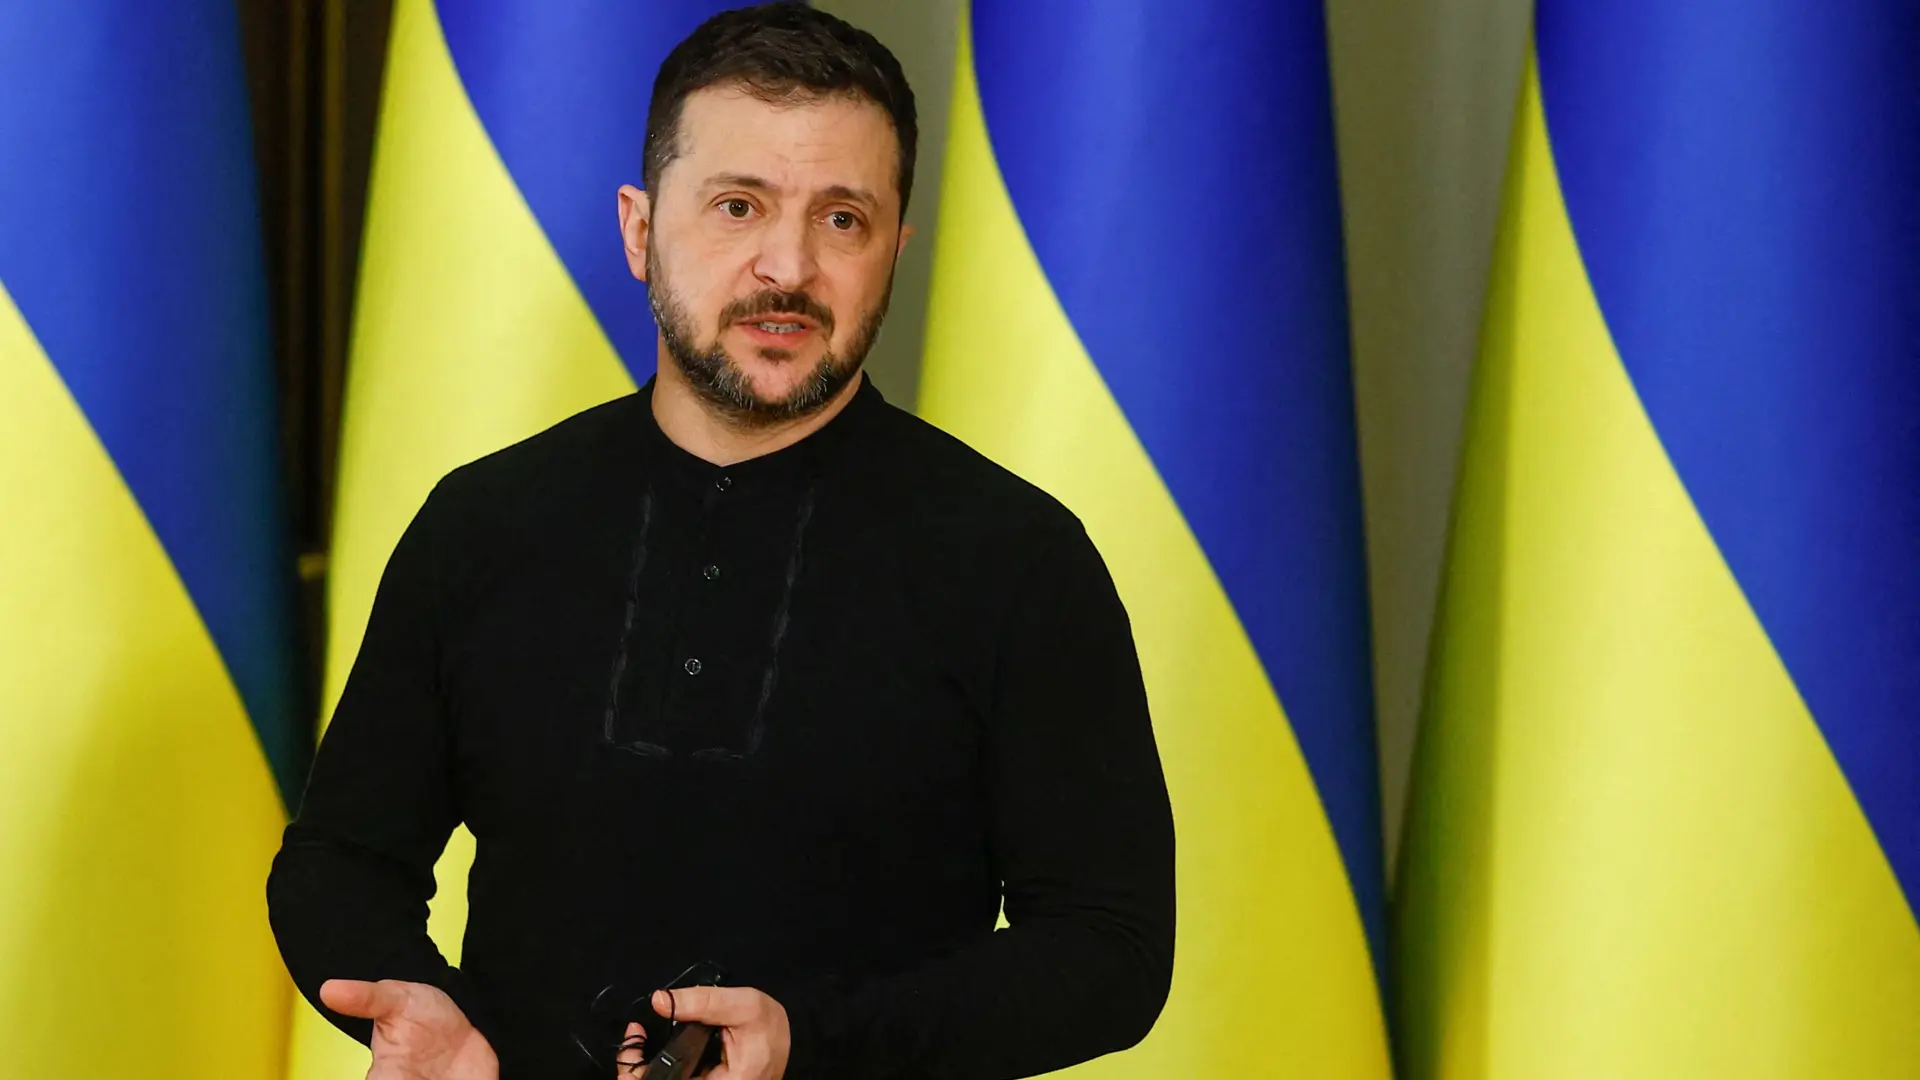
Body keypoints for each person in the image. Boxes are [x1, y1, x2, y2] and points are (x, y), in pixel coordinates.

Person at [267, 4, 1175, 1078]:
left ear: (896, 249)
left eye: (843, 219)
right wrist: (421, 1004)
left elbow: (1109, 949)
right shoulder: (483, 522)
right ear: (639, 229)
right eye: (738, 207)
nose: (787, 266)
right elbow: (340, 861)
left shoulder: (1021, 559)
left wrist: (812, 1046)